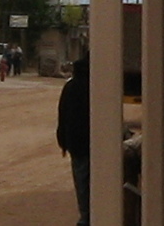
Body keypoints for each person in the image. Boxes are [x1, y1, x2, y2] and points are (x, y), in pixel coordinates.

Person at [56, 56, 94, 226]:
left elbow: (62, 115)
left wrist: (63, 141)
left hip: (76, 144)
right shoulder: (97, 87)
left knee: (82, 182)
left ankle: (85, 217)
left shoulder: (70, 87)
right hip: (98, 143)